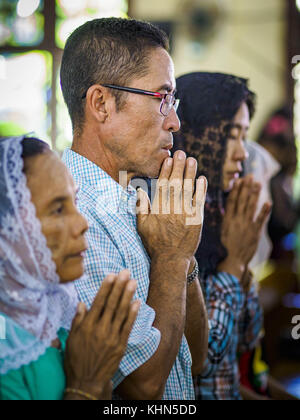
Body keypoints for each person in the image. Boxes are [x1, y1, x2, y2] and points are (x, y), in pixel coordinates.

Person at [60, 17, 209, 400]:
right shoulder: (73, 217)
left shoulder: (135, 197)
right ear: (102, 103)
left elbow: (194, 361)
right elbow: (142, 387)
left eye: (172, 102)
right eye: (162, 98)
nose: (174, 121)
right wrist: (172, 257)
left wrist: (183, 257)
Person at [0, 136, 140, 400]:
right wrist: (84, 386)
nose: (82, 223)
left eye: (73, 202)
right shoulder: (6, 352)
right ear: (7, 231)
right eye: (57, 209)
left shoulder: (59, 316)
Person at [174, 72, 271, 400]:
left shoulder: (223, 213)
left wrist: (242, 269)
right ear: (198, 134)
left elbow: (245, 342)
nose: (243, 154)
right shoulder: (168, 216)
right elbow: (201, 361)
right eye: (233, 135)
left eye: (246, 137)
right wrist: (234, 264)